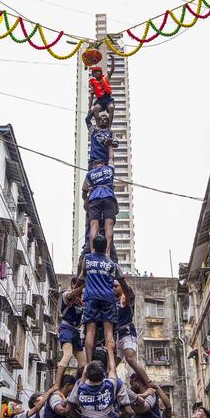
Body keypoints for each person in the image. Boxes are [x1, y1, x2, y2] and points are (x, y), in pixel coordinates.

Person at [77, 235, 126, 374]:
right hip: (107, 299)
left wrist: (77, 287)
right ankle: (111, 367)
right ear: (106, 248)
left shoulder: (87, 259)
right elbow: (122, 282)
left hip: (91, 298)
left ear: (93, 245)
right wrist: (128, 293)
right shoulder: (112, 264)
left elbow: (82, 277)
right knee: (108, 332)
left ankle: (88, 365)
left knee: (90, 331)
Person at [55, 278, 85, 388]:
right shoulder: (66, 295)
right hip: (66, 328)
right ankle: (57, 384)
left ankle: (81, 386)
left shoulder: (82, 303)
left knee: (83, 364)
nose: (81, 290)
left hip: (76, 331)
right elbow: (72, 293)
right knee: (67, 355)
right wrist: (83, 285)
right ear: (72, 285)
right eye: (79, 286)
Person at [84, 160, 117, 256]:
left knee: (93, 225)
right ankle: (107, 253)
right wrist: (110, 147)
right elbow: (111, 159)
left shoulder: (90, 174)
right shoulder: (109, 169)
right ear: (102, 164)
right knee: (109, 226)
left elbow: (86, 189)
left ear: (94, 166)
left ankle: (93, 252)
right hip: (108, 196)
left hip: (95, 197)